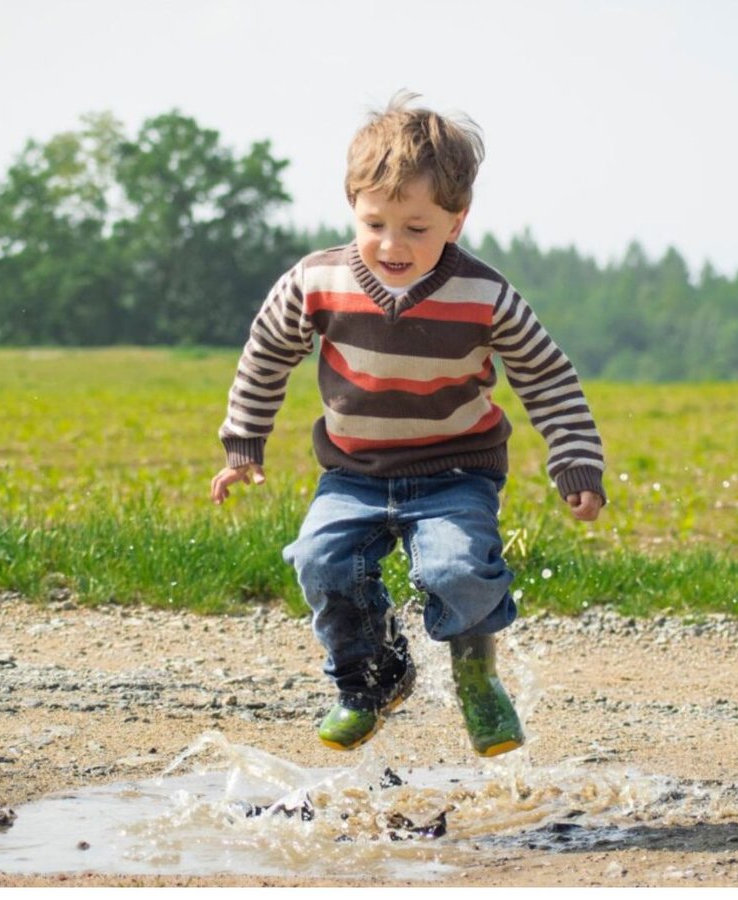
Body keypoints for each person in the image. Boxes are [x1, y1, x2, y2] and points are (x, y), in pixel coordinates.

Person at [211, 91, 605, 757]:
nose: (392, 245)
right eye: (375, 224)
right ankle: (373, 678)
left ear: (456, 221)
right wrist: (243, 441)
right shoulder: (317, 280)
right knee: (320, 561)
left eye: (416, 228)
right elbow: (267, 352)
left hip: (456, 472)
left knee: (456, 571)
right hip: (353, 473)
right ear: (354, 209)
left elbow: (547, 376)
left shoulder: (486, 296)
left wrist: (575, 462)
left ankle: (476, 675)